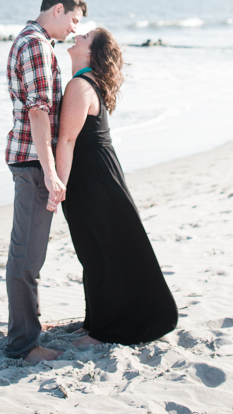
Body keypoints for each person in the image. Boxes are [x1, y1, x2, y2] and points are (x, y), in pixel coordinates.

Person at [53, 27, 178, 347]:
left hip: (92, 180)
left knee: (99, 252)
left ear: (91, 53)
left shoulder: (80, 85)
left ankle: (104, 332)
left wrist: (57, 187)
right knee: (95, 252)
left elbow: (66, 140)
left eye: (86, 37)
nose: (78, 35)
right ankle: (95, 322)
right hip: (99, 177)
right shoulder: (87, 83)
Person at [4, 0, 88, 362]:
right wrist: (51, 171)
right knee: (26, 257)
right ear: (57, 9)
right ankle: (23, 345)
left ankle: (26, 332)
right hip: (32, 162)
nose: (73, 29)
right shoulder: (37, 45)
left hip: (30, 159)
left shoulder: (31, 41)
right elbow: (39, 113)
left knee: (28, 255)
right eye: (73, 20)